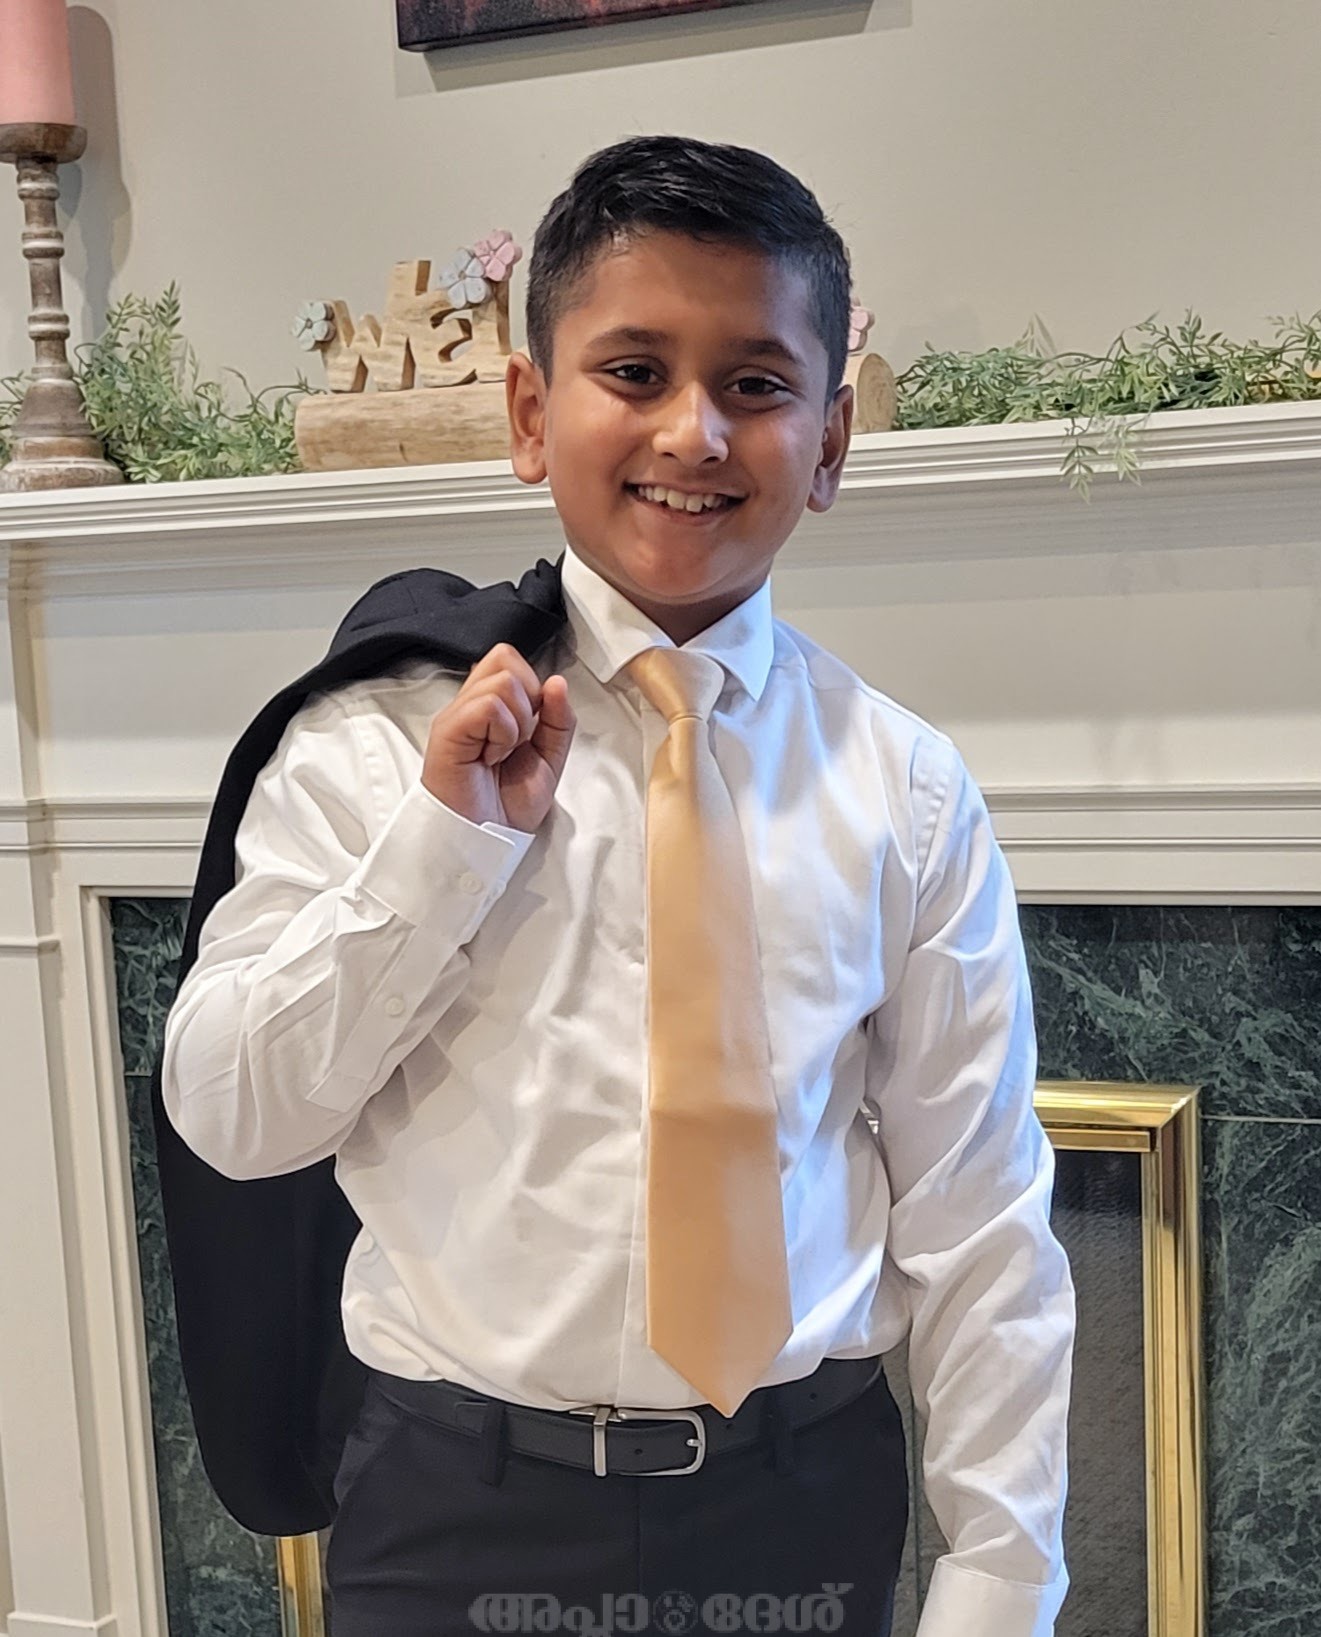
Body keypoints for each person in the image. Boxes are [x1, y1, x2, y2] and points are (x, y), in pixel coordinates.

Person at [161, 134, 1075, 1637]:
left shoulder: (906, 790)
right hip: (456, 1507)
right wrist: (442, 849)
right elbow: (231, 1116)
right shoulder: (374, 740)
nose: (693, 432)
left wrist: (999, 1581)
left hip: (801, 1489)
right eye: (634, 371)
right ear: (532, 413)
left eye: (757, 384)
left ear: (831, 440)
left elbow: (980, 1218)